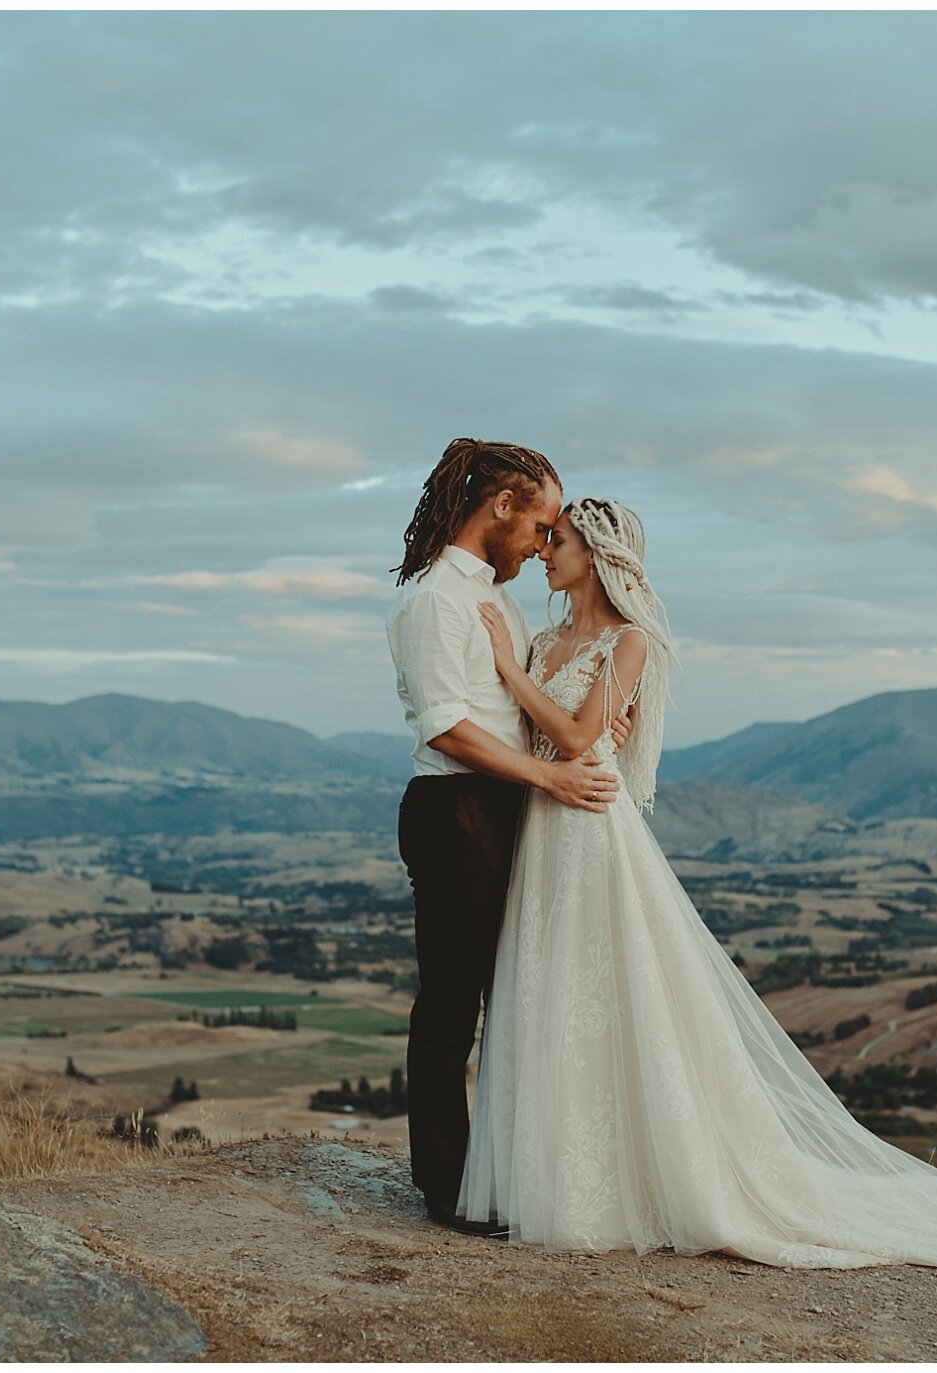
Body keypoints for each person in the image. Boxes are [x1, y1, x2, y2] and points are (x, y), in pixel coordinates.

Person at [455, 497, 937, 1288]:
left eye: (559, 539)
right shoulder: (545, 638)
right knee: (553, 995)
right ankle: (562, 1180)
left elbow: (576, 738)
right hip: (542, 829)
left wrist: (506, 666)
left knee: (604, 996)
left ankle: (627, 1186)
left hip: (592, 833)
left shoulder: (628, 642)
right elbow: (529, 735)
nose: (545, 550)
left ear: (599, 554)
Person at [384, 438, 626, 1236]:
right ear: (502, 507)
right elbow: (449, 728)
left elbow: (523, 709)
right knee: (453, 1001)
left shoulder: (499, 599)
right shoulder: (435, 601)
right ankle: (446, 1186)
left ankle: (503, 1168)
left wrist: (591, 727)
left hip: (504, 801)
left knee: (514, 993)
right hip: (457, 807)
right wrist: (553, 779)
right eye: (541, 523)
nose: (543, 540)